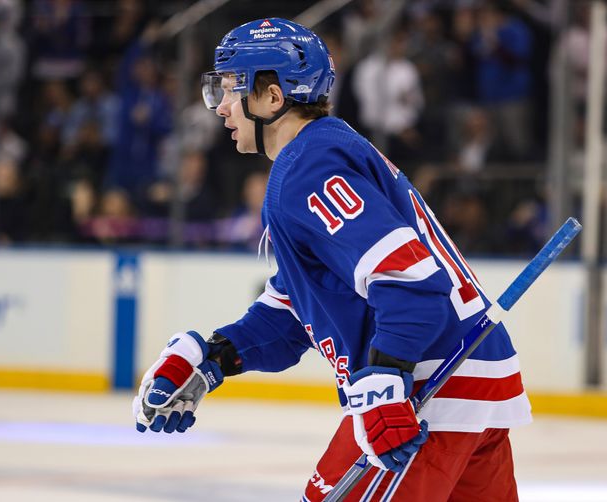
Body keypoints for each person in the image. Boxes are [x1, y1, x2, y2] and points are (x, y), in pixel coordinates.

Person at [133, 18, 531, 501]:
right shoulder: (324, 153)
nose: (220, 106)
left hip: (429, 387)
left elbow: (408, 278)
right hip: (468, 379)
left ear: (272, 97)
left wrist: (387, 375)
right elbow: (294, 313)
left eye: (231, 87)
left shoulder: (308, 167)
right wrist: (213, 355)